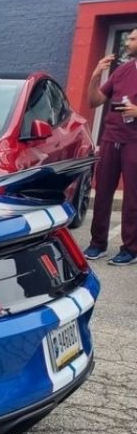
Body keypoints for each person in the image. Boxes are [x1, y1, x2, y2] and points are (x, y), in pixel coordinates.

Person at [84, 28, 137, 266]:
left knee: (133, 197)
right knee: (103, 193)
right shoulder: (121, 71)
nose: (129, 41)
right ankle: (98, 244)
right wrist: (96, 74)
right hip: (110, 139)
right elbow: (94, 101)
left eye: (134, 38)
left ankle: (131, 248)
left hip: (134, 142)